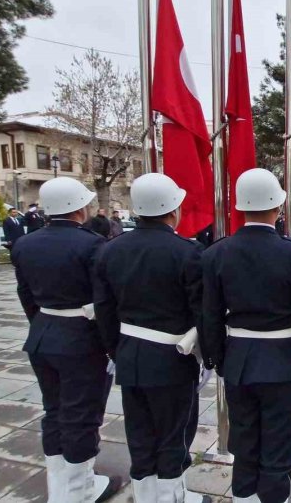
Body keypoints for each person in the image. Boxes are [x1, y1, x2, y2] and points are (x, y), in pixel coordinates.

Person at [199, 168, 291, 503]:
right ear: (278, 207)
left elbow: (209, 316)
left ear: (240, 208)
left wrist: (219, 361)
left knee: (244, 442)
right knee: (279, 447)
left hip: (238, 360)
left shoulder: (216, 253)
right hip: (284, 363)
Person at [93, 174, 206, 502]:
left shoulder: (110, 250)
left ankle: (146, 497)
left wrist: (117, 351)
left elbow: (105, 311)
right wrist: (208, 357)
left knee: (140, 435)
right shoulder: (188, 252)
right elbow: (202, 312)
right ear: (174, 210)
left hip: (130, 354)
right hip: (174, 359)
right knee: (174, 435)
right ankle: (172, 497)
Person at [11, 177, 120, 502]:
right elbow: (104, 301)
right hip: (81, 340)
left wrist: (45, 323)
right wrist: (110, 345)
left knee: (55, 412)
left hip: (43, 335)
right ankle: (80, 491)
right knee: (81, 415)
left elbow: (26, 295)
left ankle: (60, 488)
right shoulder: (91, 245)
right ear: (79, 208)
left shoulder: (25, 244)